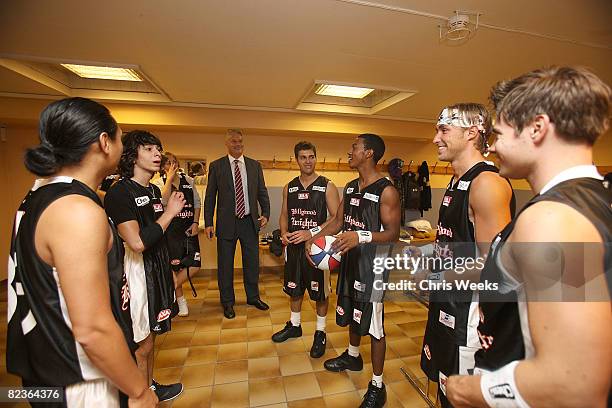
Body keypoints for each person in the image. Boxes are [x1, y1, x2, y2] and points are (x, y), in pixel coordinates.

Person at [446, 67, 611, 407]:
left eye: (499, 133)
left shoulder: (551, 219)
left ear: (536, 128)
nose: (492, 147)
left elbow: (573, 384)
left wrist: (468, 390)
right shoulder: (596, 196)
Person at [7, 97, 157, 407]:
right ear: (104, 142)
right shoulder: (77, 212)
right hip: (79, 381)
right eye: (118, 135)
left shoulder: (41, 194)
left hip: (46, 370)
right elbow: (92, 329)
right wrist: (139, 390)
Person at [419, 103, 515, 407]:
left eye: (443, 130)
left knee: (462, 398)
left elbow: (493, 266)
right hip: (446, 303)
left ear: (472, 132)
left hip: (469, 316)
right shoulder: (455, 179)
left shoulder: (486, 183)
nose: (435, 138)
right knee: (445, 391)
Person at [307, 134, 400, 408]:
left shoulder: (387, 191)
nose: (349, 152)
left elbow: (393, 234)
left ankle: (377, 386)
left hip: (373, 269)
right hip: (349, 264)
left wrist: (361, 237)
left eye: (354, 148)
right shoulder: (350, 188)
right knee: (352, 312)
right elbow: (337, 222)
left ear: (369, 153)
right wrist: (313, 238)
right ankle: (353, 355)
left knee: (374, 326)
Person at [104, 130, 185, 402]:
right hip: (136, 273)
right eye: (149, 149)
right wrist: (170, 213)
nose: (157, 154)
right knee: (143, 344)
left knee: (153, 336)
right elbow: (137, 242)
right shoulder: (119, 193)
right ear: (132, 155)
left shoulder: (150, 190)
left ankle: (150, 387)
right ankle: (140, 398)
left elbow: (155, 230)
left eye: (158, 149)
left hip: (157, 268)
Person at [271, 141, 340, 358]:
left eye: (311, 157)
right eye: (303, 157)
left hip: (317, 250)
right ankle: (295, 325)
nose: (308, 161)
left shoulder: (327, 185)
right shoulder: (289, 187)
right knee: (294, 288)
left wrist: (312, 234)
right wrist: (283, 232)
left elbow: (336, 219)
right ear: (296, 160)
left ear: (315, 158)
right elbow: (284, 214)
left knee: (319, 293)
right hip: (293, 248)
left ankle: (320, 332)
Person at [204, 129, 270, 319]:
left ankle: (253, 297)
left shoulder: (254, 166)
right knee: (225, 265)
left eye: (240, 141)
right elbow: (210, 197)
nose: (237, 144)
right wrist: (209, 222)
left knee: (252, 263)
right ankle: (227, 302)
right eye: (233, 141)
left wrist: (265, 213)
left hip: (250, 222)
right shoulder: (217, 166)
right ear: (226, 143)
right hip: (226, 223)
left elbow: (262, 192)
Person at [154, 152, 201, 317]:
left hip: (188, 230)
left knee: (194, 265)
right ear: (162, 166)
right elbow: (163, 202)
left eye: (174, 162)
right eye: (168, 163)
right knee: (173, 268)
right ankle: (181, 302)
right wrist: (169, 178)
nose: (172, 165)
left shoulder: (188, 180)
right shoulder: (158, 183)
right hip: (170, 232)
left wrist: (195, 222)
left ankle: (169, 289)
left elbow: (196, 203)